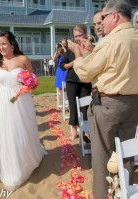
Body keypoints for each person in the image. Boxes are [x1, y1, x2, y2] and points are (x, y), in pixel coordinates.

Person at [68, 0, 138, 198]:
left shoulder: (111, 41)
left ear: (115, 16)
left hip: (109, 105)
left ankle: (102, 195)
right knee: (127, 153)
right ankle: (124, 190)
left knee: (102, 157)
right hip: (134, 104)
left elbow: (85, 74)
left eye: (104, 17)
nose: (102, 23)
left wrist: (77, 55)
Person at [0, 31, 46, 191]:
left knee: (20, 130)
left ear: (12, 44)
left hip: (20, 101)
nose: (1, 47)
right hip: (2, 101)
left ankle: (23, 164)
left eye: (4, 43)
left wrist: (28, 84)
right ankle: (9, 164)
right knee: (5, 132)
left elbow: (33, 80)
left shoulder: (23, 59)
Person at [60, 25, 91, 141]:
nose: (78, 38)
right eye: (75, 36)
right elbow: (62, 66)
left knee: (85, 108)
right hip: (72, 81)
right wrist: (74, 63)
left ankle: (86, 132)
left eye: (80, 35)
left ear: (85, 35)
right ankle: (74, 132)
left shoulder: (89, 48)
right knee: (73, 107)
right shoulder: (70, 50)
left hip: (85, 82)